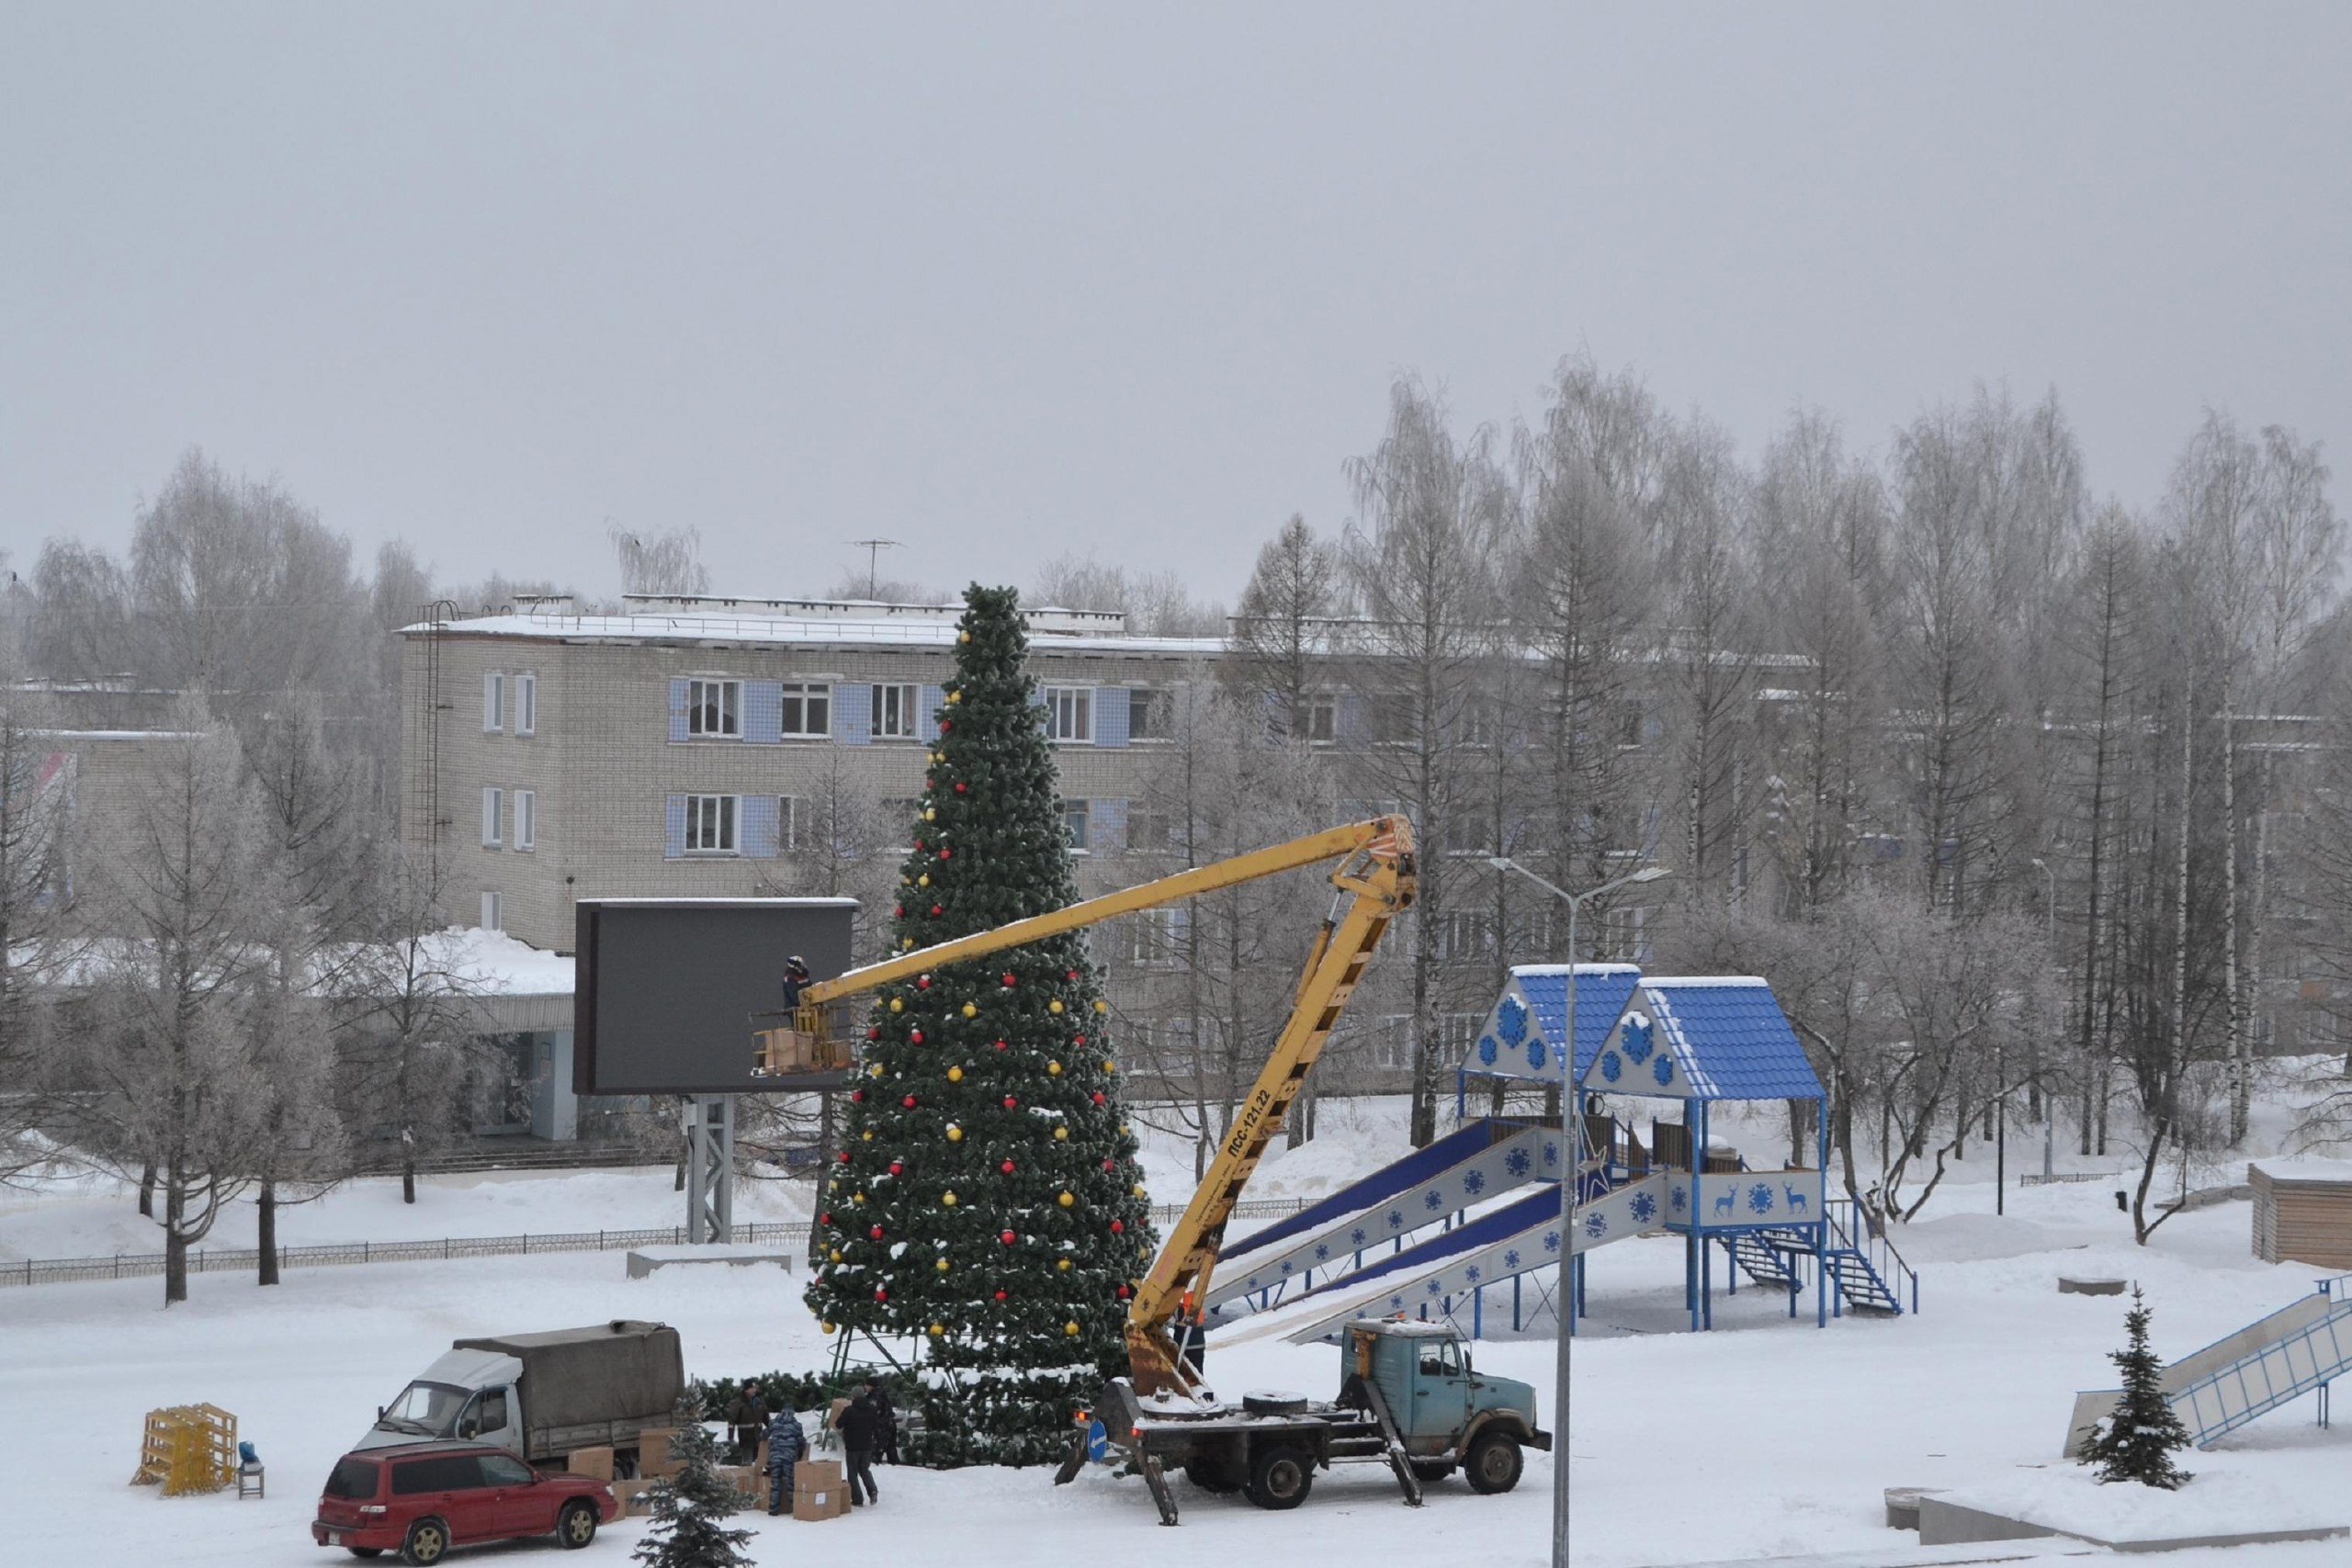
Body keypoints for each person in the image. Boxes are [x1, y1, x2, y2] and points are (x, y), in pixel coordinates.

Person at [836, 1383, 883, 1506]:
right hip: (867, 1446)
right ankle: (872, 1490)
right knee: (864, 1470)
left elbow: (838, 1424)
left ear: (853, 1396)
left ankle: (857, 1499)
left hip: (852, 1447)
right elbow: (876, 1426)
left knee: (852, 1473)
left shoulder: (849, 1410)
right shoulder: (871, 1409)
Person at [763, 1406, 806, 1516]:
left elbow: (763, 1435)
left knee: (775, 1483)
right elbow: (801, 1442)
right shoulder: (796, 1425)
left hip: (775, 1457)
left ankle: (773, 1509)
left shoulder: (774, 1423)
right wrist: (799, 1454)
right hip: (789, 1457)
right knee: (791, 1483)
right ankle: (795, 1509)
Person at [725, 1380, 768, 1466]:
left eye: (755, 1388)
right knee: (747, 1463)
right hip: (746, 1438)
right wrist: (731, 1438)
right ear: (746, 1389)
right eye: (752, 1388)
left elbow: (765, 1417)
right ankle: (745, 1478)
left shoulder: (759, 1400)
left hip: (759, 1436)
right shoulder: (739, 1402)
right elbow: (732, 1420)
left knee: (762, 1462)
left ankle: (763, 1479)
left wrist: (774, 1429)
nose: (754, 1390)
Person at [870, 1380, 901, 1465]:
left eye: (866, 1385)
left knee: (877, 1449)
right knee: (891, 1448)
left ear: (870, 1386)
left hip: (882, 1425)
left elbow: (875, 1411)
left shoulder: (875, 1396)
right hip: (890, 1423)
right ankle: (896, 1466)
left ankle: (877, 1465)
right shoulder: (882, 1394)